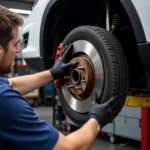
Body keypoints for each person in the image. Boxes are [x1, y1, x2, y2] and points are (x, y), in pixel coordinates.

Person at [0, 5, 120, 150]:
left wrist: (53, 72)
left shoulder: (3, 93)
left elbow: (10, 85)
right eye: (15, 44)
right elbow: (69, 148)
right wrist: (96, 119)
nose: (18, 50)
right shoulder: (5, 101)